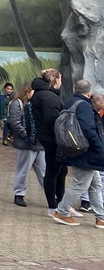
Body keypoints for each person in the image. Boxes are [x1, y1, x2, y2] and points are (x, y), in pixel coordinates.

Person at [52, 80, 104, 227]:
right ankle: (62, 211)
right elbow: (89, 130)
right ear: (89, 92)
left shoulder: (70, 102)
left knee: (95, 185)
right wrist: (100, 147)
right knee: (80, 184)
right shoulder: (84, 106)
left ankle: (101, 217)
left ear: (75, 89)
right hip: (85, 152)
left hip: (74, 149)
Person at [31, 68, 68, 216]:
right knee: (53, 171)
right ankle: (53, 206)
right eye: (60, 79)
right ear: (56, 80)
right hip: (52, 138)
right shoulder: (48, 97)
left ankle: (61, 202)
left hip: (49, 137)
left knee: (61, 170)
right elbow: (52, 119)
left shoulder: (44, 94)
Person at [8, 82, 45, 207]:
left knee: (44, 171)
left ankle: (51, 195)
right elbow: (15, 122)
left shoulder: (36, 103)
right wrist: (27, 136)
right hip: (26, 143)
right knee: (23, 170)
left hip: (39, 143)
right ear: (28, 90)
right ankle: (19, 194)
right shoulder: (16, 103)